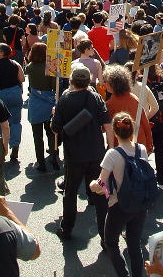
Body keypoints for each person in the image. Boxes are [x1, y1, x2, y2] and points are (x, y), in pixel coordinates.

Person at [51, 64, 114, 243]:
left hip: (74, 155)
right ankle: (105, 236)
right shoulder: (96, 98)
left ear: (71, 80)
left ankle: (67, 228)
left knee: (70, 193)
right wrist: (109, 147)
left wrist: (54, 114)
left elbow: (55, 129)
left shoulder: (64, 99)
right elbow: (107, 125)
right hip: (95, 152)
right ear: (89, 81)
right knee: (101, 194)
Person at [90, 112, 151, 277]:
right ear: (132, 130)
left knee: (111, 242)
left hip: (119, 205)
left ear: (115, 133)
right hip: (140, 204)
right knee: (134, 244)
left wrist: (92, 185)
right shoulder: (141, 149)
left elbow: (101, 185)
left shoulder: (113, 154)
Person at [0, 43, 25, 162]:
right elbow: (22, 79)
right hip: (15, 93)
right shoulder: (15, 64)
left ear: (2, 53)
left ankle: (1, 147)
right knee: (15, 122)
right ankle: (15, 145)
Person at [25, 42, 59, 172]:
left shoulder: (30, 67)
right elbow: (53, 86)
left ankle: (40, 162)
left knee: (37, 135)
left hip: (35, 101)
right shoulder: (50, 67)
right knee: (51, 132)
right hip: (49, 102)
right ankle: (54, 157)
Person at [104, 65, 153, 154]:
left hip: (120, 148)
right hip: (138, 144)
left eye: (106, 82)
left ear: (113, 84)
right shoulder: (134, 98)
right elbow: (145, 123)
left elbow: (106, 128)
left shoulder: (109, 104)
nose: (104, 84)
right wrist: (149, 143)